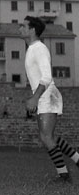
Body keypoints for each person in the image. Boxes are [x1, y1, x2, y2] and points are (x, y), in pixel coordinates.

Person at [20, 16, 79, 182]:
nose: (20, 29)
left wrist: (35, 98)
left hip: (47, 95)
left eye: (23, 26)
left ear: (32, 30)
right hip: (45, 95)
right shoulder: (32, 48)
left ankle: (63, 175)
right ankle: (76, 161)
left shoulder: (39, 49)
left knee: (46, 137)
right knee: (47, 136)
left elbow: (46, 77)